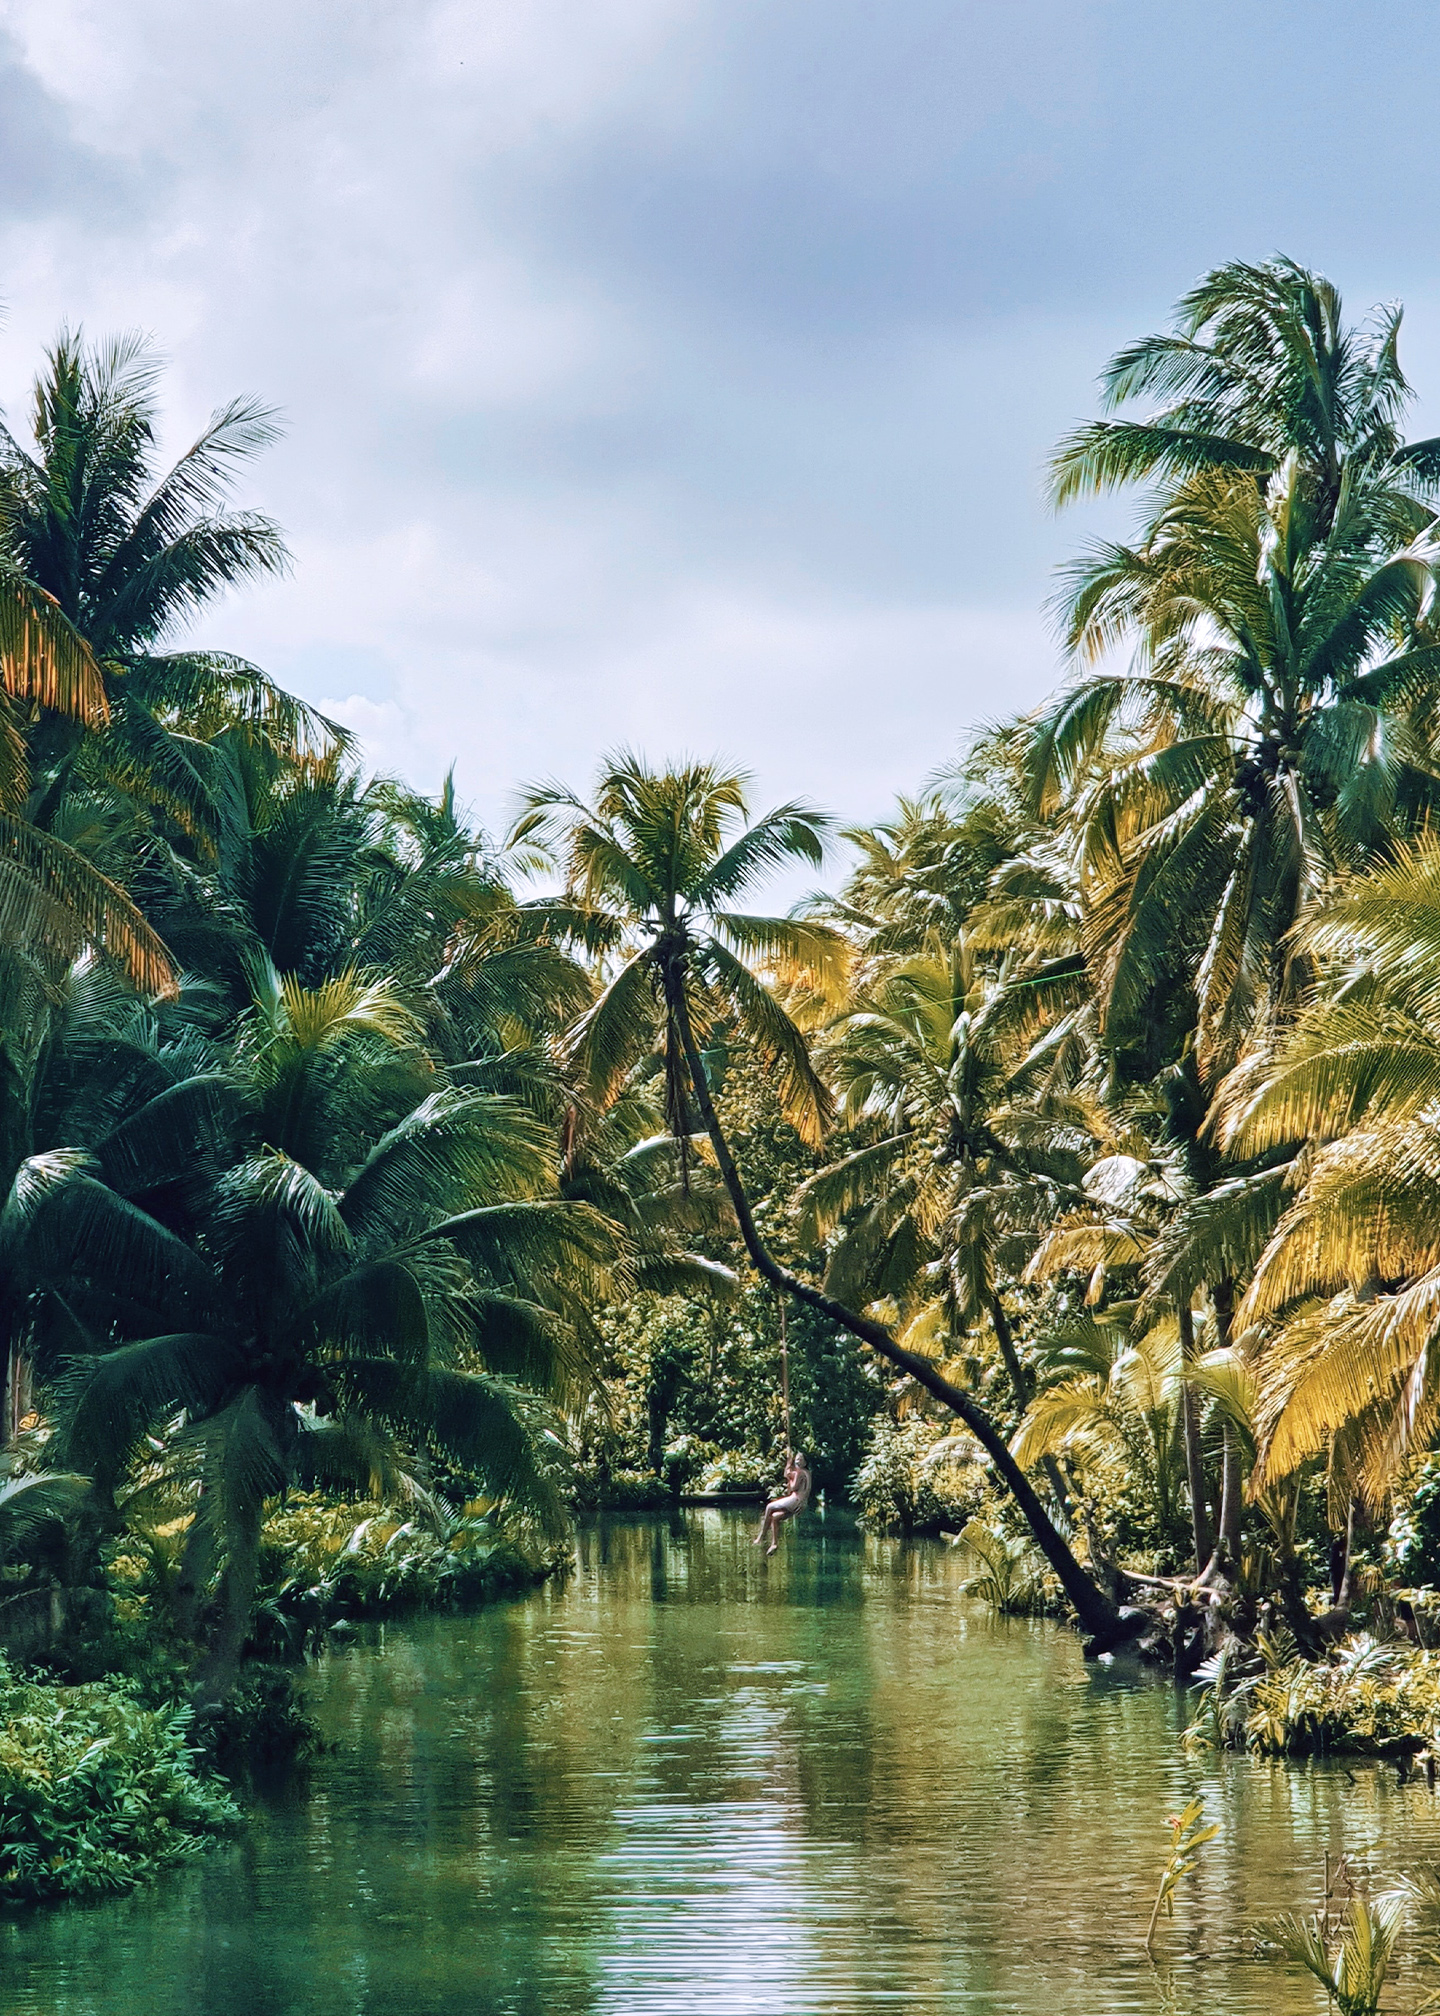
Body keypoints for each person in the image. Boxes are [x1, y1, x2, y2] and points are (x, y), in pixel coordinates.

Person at [753, 1450, 811, 1554]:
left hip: (795, 1500)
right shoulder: (807, 1473)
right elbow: (788, 1476)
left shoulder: (800, 1472)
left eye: (800, 1460)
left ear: (805, 1462)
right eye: (797, 1459)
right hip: (801, 1503)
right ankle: (774, 1544)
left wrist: (790, 1479)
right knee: (775, 1517)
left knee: (769, 1507)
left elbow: (793, 1487)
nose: (798, 1461)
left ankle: (761, 1536)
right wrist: (788, 1464)